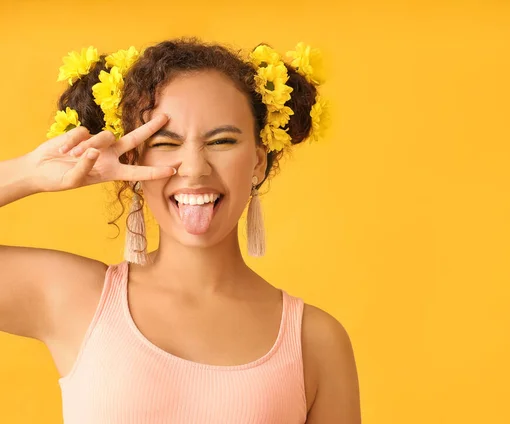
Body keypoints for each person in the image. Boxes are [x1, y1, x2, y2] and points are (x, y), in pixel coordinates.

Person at [0, 38, 361, 423]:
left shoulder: (316, 343)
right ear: (132, 160)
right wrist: (31, 173)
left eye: (221, 141)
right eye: (164, 143)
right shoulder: (73, 299)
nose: (194, 168)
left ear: (257, 162)